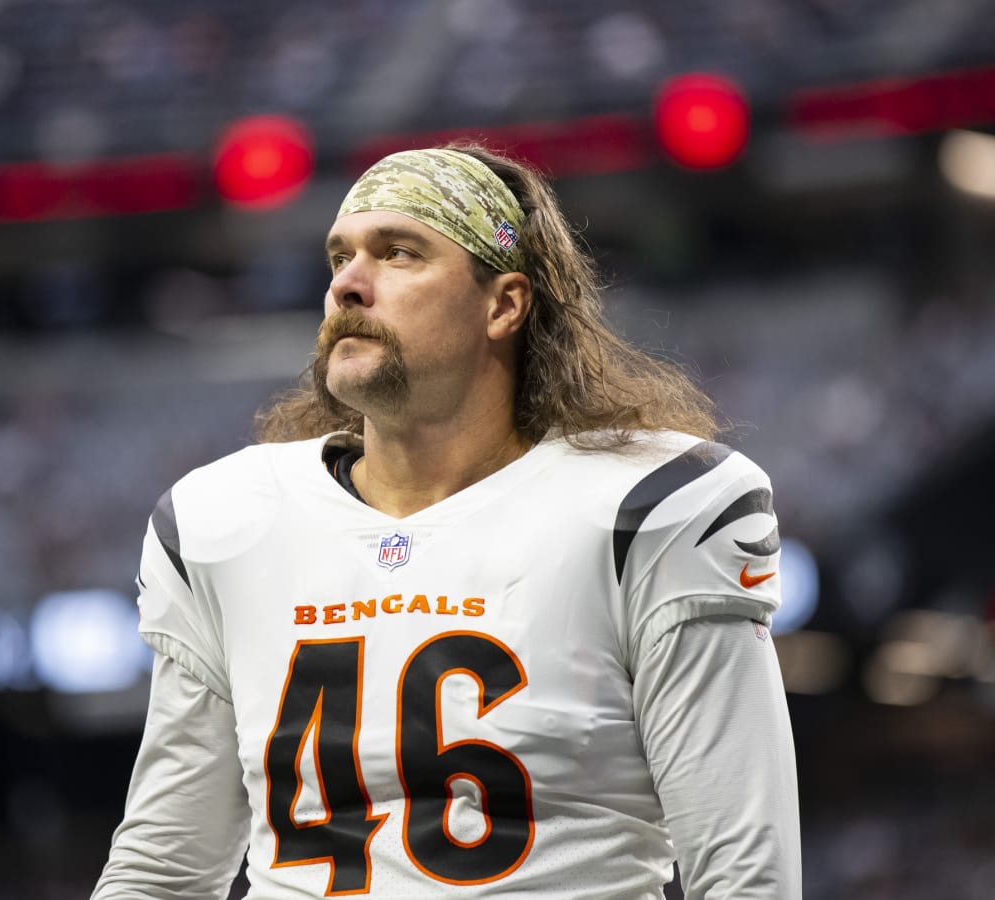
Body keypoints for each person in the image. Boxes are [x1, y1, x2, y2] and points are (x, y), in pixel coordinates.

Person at [92, 145, 800, 899]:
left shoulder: (653, 505)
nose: (347, 286)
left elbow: (742, 870)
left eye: (399, 253)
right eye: (340, 257)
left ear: (504, 304)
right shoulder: (225, 521)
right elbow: (162, 868)